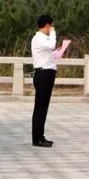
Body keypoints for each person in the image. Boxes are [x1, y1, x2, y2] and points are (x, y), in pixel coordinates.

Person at [30, 14, 70, 147]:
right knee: (40, 108)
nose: (51, 28)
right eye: (51, 26)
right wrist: (53, 33)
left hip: (48, 73)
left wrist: (57, 53)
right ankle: (37, 138)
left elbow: (48, 53)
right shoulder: (39, 38)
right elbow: (51, 45)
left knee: (44, 107)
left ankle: (40, 135)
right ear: (47, 25)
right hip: (43, 75)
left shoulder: (43, 39)